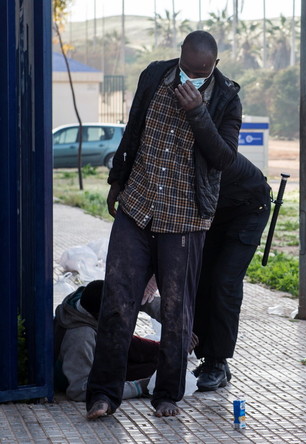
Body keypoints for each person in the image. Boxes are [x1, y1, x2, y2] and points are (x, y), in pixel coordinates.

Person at [86, 30, 241, 419]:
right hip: (137, 208)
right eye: (187, 69)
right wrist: (117, 180)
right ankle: (103, 394)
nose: (192, 77)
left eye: (201, 72)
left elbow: (223, 158)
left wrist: (197, 112)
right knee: (118, 303)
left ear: (215, 66)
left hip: (185, 219)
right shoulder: (155, 76)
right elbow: (133, 129)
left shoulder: (226, 98)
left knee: (177, 311)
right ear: (179, 59)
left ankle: (168, 395)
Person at [191, 153, 271, 391]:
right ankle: (209, 359)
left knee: (224, 282)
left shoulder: (204, 144)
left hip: (249, 207)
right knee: (200, 279)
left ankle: (217, 362)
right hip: (216, 211)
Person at [54, 280, 160, 402]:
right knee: (154, 373)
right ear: (100, 316)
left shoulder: (85, 298)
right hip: (95, 369)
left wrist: (177, 323)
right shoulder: (80, 338)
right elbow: (79, 390)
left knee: (163, 354)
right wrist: (139, 387)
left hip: (103, 346)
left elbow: (138, 301)